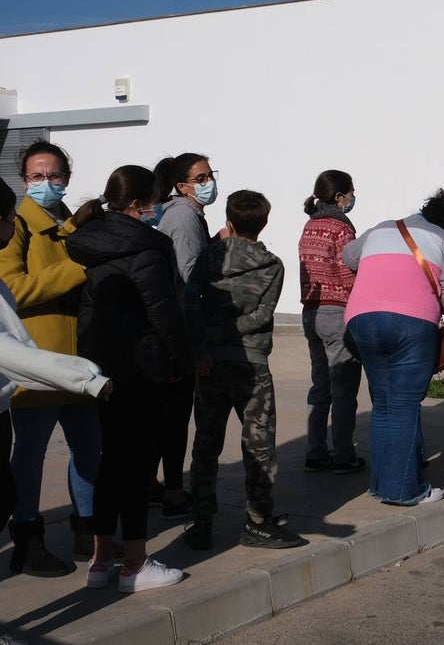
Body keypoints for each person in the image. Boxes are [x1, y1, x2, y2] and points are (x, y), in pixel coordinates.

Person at [67, 165, 191, 593]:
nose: (159, 208)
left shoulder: (90, 240)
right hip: (143, 367)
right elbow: (163, 311)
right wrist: (185, 358)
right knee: (138, 467)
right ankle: (135, 564)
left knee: (112, 462)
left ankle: (101, 562)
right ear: (138, 204)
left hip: (103, 367)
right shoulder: (145, 246)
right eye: (155, 199)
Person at [0, 141, 104, 576]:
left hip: (79, 358)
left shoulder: (69, 221)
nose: (46, 182)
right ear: (24, 180)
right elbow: (13, 288)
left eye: (54, 174)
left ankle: (87, 528)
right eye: (37, 176)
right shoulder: (15, 224)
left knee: (88, 449)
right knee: (31, 454)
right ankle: (28, 537)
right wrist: (77, 266)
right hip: (37, 361)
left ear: (68, 176)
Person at [183, 191, 306, 551]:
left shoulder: (209, 258)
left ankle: (201, 521)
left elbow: (190, 303)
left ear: (230, 222)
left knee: (206, 444)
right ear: (264, 223)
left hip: (210, 363)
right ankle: (258, 521)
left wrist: (204, 343)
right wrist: (228, 333)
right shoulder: (271, 265)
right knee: (259, 443)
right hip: (250, 364)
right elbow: (262, 317)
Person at [342, 189, 444, 505]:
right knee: (404, 406)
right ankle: (403, 490)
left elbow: (348, 255)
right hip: (412, 323)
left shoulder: (382, 228)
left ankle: (381, 484)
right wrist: (437, 305)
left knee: (382, 404)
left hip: (360, 318)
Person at [151, 152, 219, 518]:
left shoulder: (187, 214)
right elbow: (191, 281)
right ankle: (174, 491)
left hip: (175, 330)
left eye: (210, 175)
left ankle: (154, 484)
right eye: (202, 178)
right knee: (174, 418)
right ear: (183, 186)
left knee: (166, 416)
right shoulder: (183, 217)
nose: (209, 183)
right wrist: (197, 345)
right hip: (178, 333)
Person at [298, 170, 363, 474]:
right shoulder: (341, 228)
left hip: (310, 312)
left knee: (319, 387)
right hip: (337, 312)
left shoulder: (309, 226)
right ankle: (343, 454)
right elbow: (350, 269)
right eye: (350, 192)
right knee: (344, 390)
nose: (352, 198)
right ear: (339, 197)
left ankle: (315, 450)